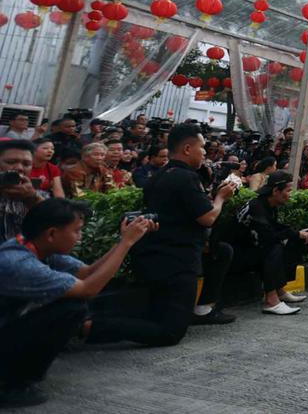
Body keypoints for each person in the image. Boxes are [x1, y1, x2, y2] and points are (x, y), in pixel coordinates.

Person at [89, 123, 238, 347]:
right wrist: (221, 197)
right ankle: (88, 327)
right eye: (202, 147)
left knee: (221, 252)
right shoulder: (185, 178)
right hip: (177, 262)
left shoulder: (161, 174)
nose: (205, 152)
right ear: (187, 149)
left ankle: (202, 309)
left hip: (157, 256)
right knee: (170, 332)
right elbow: (207, 217)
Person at [0, 199, 155, 407]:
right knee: (71, 310)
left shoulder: (33, 245)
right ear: (52, 234)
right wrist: (126, 243)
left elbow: (88, 272)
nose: (80, 237)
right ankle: (12, 385)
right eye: (76, 231)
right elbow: (89, 289)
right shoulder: (18, 263)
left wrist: (125, 240)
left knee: (71, 307)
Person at [226, 171, 308, 316]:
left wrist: (299, 234)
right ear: (275, 191)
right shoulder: (257, 207)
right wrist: (295, 234)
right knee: (272, 247)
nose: (290, 194)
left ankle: (280, 290)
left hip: (249, 249)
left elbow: (273, 227)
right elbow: (268, 238)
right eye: (288, 190)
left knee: (290, 241)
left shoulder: (267, 205)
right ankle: (271, 301)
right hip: (234, 255)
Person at [1, 140, 45, 242]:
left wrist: (32, 198)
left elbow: (57, 223)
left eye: (26, 164)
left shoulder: (39, 195)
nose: (19, 168)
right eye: (11, 162)